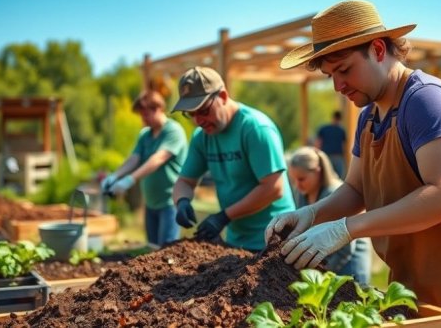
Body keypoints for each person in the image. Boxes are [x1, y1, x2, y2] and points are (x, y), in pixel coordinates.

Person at [266, 0, 441, 328]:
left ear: (379, 49)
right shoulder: (369, 116)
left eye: (344, 70)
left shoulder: (427, 101)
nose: (338, 86)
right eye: (330, 76)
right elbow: (356, 189)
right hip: (413, 293)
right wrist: (311, 214)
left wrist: (347, 229)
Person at [172, 66, 295, 252]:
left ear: (222, 96)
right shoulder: (202, 137)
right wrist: (181, 201)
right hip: (237, 241)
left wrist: (224, 217)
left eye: (203, 110)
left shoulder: (255, 128)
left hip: (276, 240)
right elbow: (184, 181)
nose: (198, 120)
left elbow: (273, 188)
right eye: (191, 114)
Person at [100, 90, 188, 246]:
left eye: (146, 115)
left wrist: (130, 180)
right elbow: (134, 159)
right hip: (151, 204)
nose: (143, 119)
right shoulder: (145, 134)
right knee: (151, 250)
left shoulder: (173, 131)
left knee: (166, 251)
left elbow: (158, 158)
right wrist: (115, 176)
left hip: (170, 203)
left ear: (158, 109)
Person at [288, 146, 371, 285]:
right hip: (325, 259)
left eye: (301, 179)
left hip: (349, 262)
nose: (297, 184)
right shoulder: (303, 194)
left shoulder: (334, 193)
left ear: (317, 172)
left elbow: (346, 249)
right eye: (294, 180)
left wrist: (321, 273)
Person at [315, 110, 347, 178]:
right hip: (337, 156)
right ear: (340, 119)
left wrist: (317, 154)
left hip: (326, 156)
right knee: (339, 177)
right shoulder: (341, 130)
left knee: (326, 176)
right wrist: (345, 157)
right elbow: (343, 145)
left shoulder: (324, 129)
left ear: (333, 117)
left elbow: (318, 142)